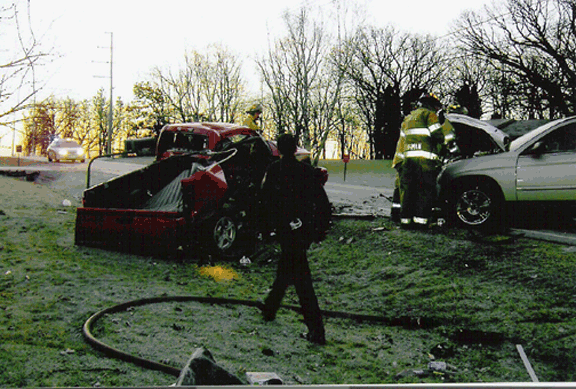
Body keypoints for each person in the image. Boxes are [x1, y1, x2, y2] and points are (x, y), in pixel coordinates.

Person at [259, 133, 329, 345]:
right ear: (296, 148)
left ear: (279, 149)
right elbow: (322, 203)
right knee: (288, 270)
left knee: (301, 281)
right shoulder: (306, 172)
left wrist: (268, 228)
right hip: (302, 231)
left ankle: (316, 330)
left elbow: (265, 201)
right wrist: (318, 230)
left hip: (286, 231)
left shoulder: (274, 171)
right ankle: (270, 308)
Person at [392, 92, 459, 229]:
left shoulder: (408, 118)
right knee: (425, 191)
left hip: (408, 161)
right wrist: (448, 145)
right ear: (432, 105)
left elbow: (403, 141)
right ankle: (421, 223)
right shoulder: (429, 115)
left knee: (409, 191)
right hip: (425, 163)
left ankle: (406, 222)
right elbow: (437, 135)